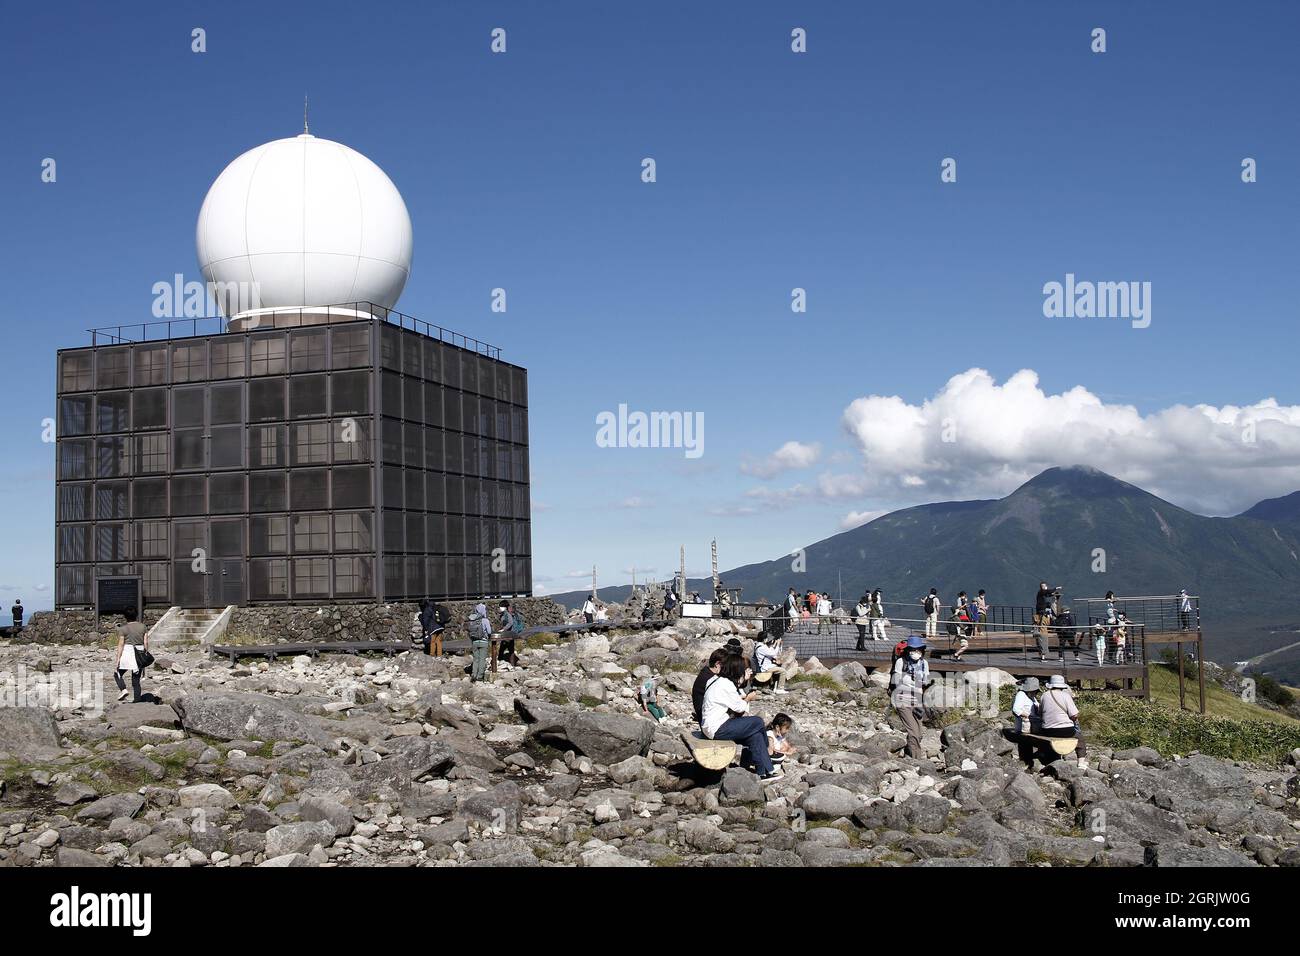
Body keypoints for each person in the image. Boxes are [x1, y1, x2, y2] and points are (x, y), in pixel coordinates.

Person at [701, 655, 780, 781]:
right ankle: (769, 751)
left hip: (711, 726)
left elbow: (733, 700)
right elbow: (740, 708)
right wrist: (748, 699)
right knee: (758, 722)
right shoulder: (726, 684)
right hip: (718, 729)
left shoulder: (715, 680)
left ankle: (764, 772)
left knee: (755, 735)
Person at [890, 635, 931, 759]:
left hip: (917, 701)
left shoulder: (924, 664)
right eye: (913, 649)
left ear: (922, 651)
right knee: (913, 732)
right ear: (908, 650)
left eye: (918, 650)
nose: (916, 652)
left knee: (919, 734)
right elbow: (895, 681)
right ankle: (916, 760)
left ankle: (909, 753)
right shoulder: (900, 662)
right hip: (903, 700)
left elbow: (925, 682)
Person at [1039, 675, 1088, 769]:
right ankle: (1081, 763)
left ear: (1051, 685)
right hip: (1065, 730)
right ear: (1062, 686)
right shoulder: (1065, 696)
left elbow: (1040, 713)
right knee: (1080, 739)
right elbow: (1074, 715)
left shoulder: (1044, 695)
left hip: (1047, 730)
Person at [112, 607, 149, 702]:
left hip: (127, 652)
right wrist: (145, 655)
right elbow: (145, 642)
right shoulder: (143, 627)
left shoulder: (123, 629)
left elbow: (120, 645)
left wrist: (117, 660)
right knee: (136, 680)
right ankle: (137, 700)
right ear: (136, 615)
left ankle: (123, 689)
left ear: (125, 617)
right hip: (139, 652)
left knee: (117, 673)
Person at [692, 648, 729, 725]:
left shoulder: (706, 673)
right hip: (710, 722)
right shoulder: (710, 679)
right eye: (725, 665)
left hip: (706, 719)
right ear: (718, 664)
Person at [469, 602, 492, 681]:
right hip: (484, 642)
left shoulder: (472, 619)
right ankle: (479, 676)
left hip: (474, 642)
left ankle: (474, 674)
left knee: (476, 659)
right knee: (482, 659)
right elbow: (489, 632)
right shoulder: (485, 620)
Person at [1034, 582, 1057, 661]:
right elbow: (1046, 592)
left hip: (1040, 617)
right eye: (1043, 586)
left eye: (1044, 586)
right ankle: (1042, 657)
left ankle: (1042, 656)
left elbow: (1047, 594)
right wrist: (1055, 588)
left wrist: (1053, 594)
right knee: (1043, 638)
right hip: (1042, 617)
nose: (1044, 587)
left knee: (1041, 638)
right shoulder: (1041, 592)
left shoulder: (1042, 594)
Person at [496, 600, 521, 669]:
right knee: (510, 649)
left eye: (501, 607)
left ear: (505, 607)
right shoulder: (504, 614)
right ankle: (512, 664)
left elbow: (510, 623)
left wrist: (503, 629)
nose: (499, 608)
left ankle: (500, 663)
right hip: (509, 634)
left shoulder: (507, 614)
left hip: (509, 634)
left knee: (502, 649)